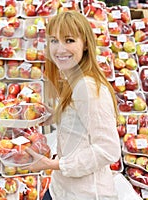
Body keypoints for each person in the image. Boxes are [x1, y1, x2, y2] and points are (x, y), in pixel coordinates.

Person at [23, 11, 121, 200]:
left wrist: (54, 165)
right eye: (54, 41)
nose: (60, 49)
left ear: (85, 44)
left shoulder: (88, 88)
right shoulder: (74, 79)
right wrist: (51, 116)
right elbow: (81, 124)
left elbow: (107, 150)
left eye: (69, 40)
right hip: (61, 189)